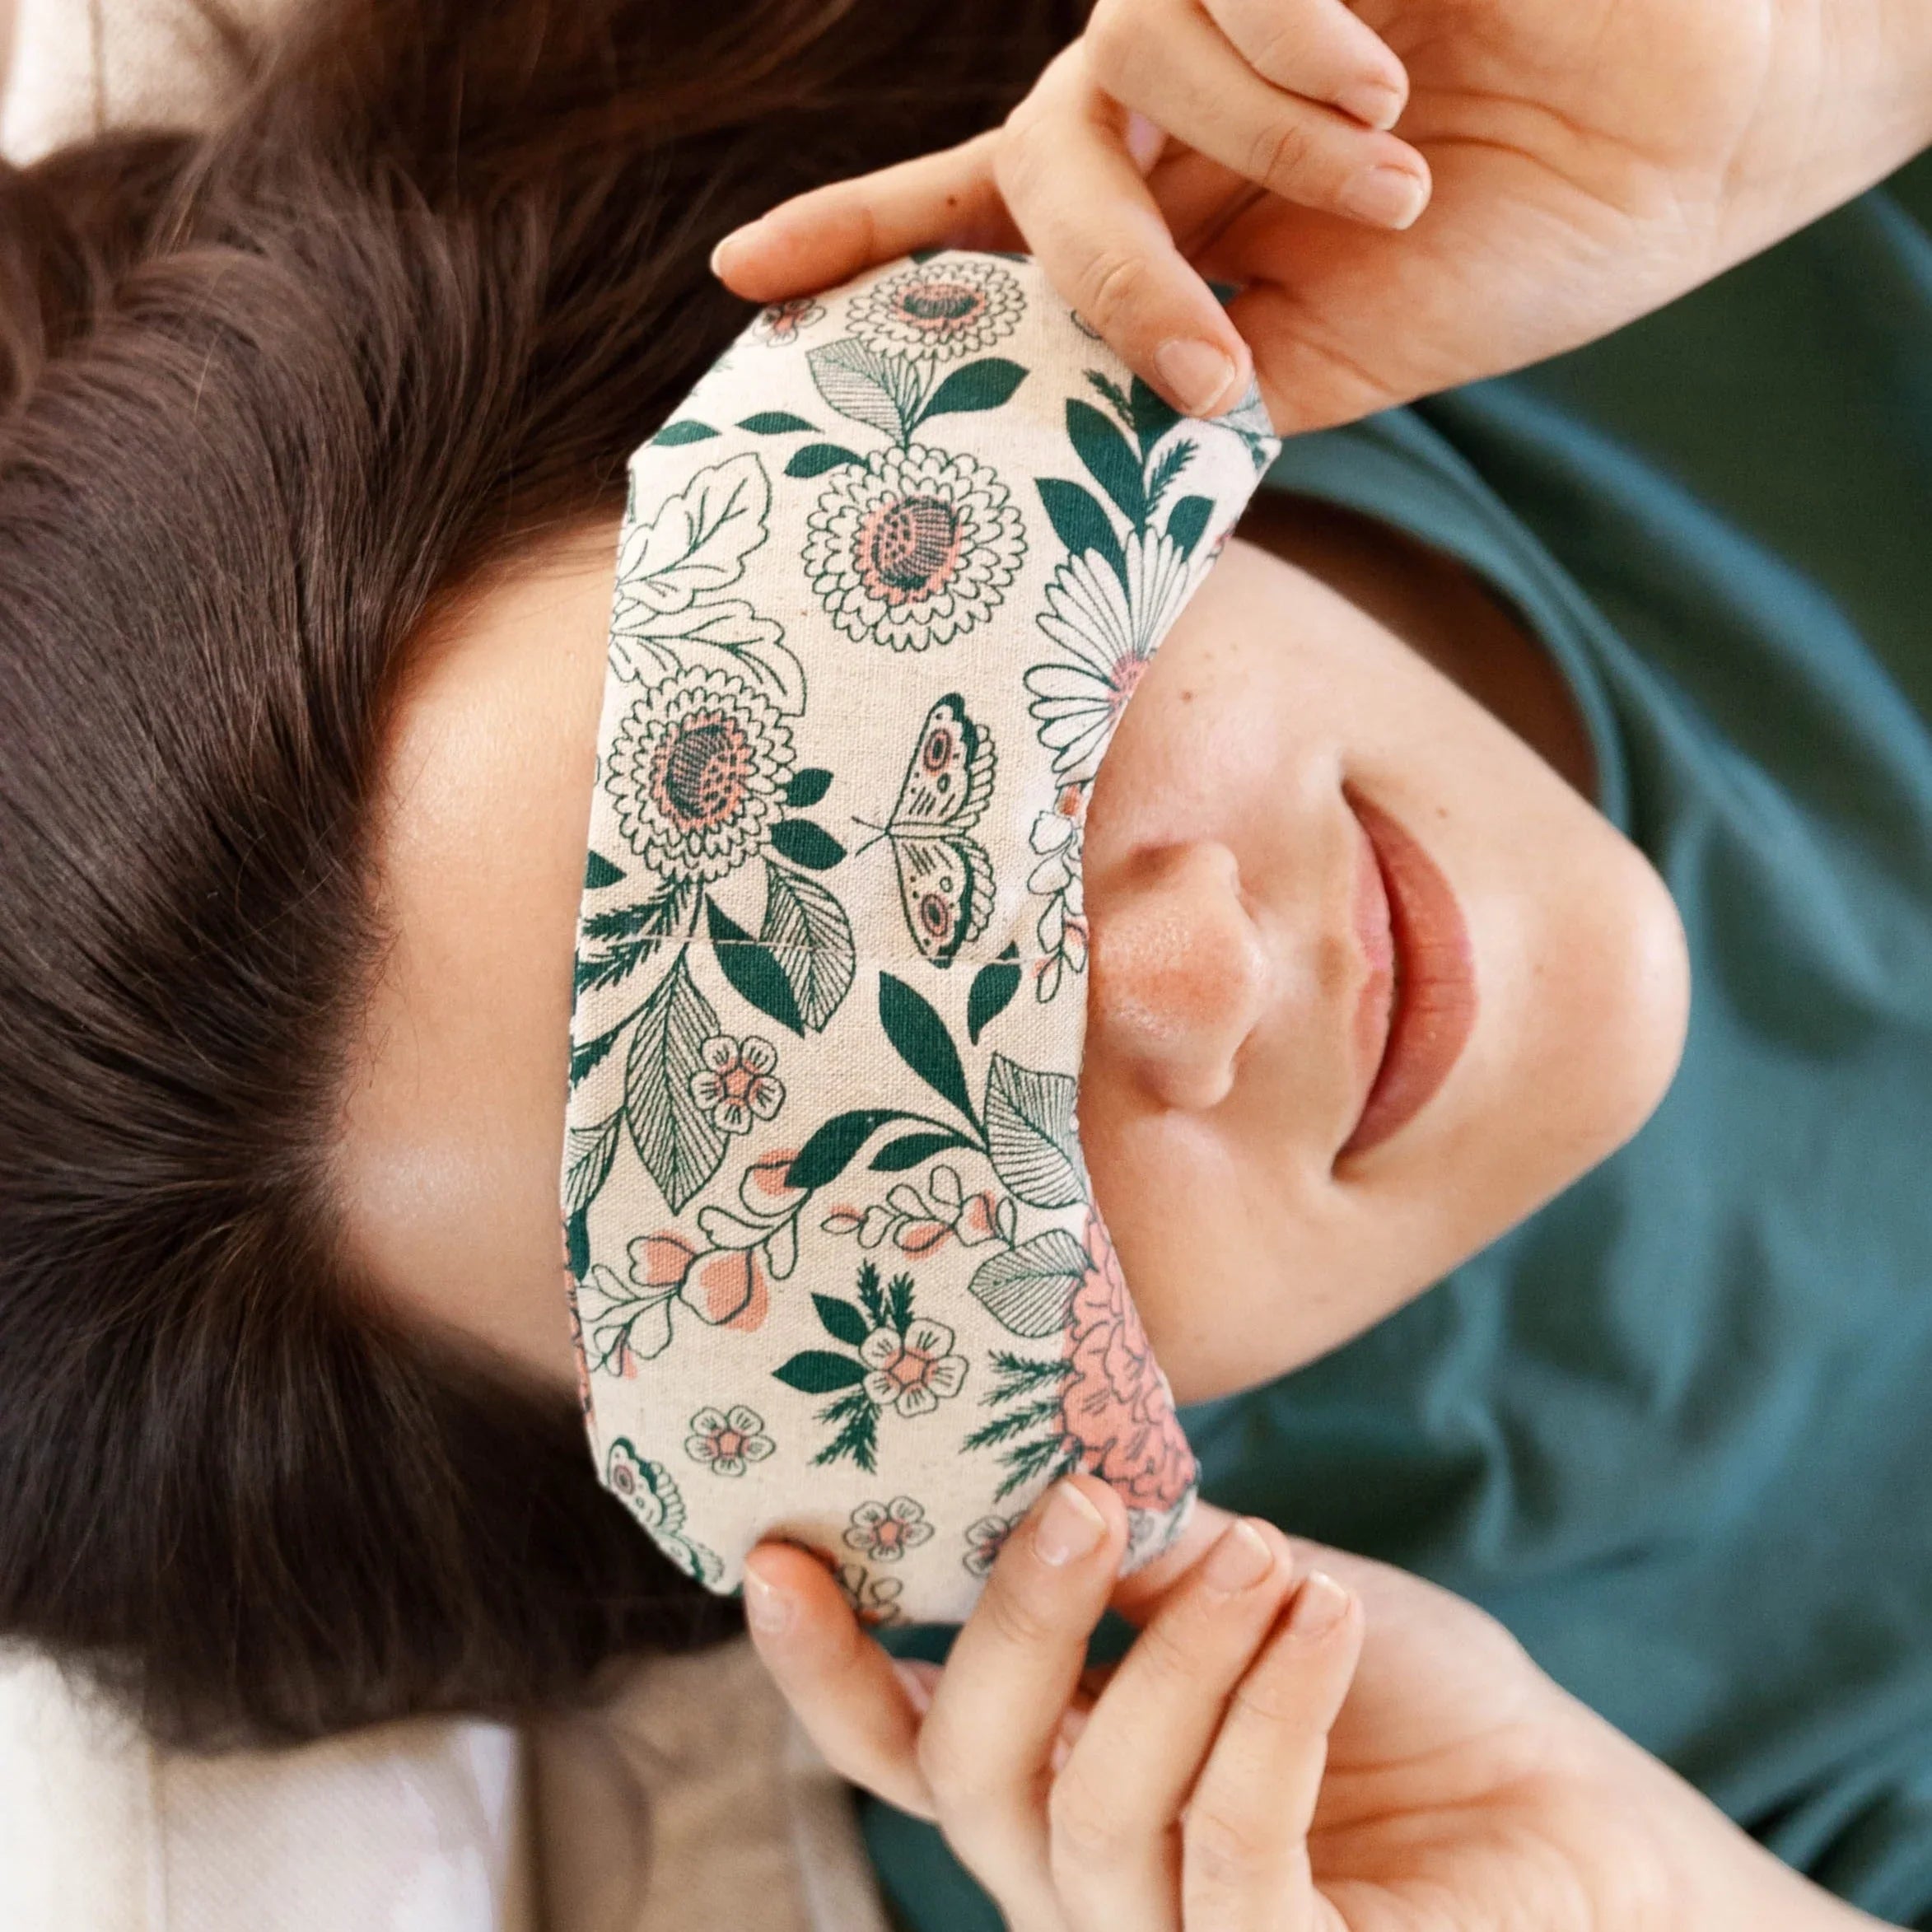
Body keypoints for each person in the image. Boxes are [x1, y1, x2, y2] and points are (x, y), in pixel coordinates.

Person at [0, 0, 1925, 1925]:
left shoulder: (1493, 103)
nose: (1202, 985)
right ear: (838, 1538)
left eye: (950, 745)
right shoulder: (1315, 1821)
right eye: (913, 1220)